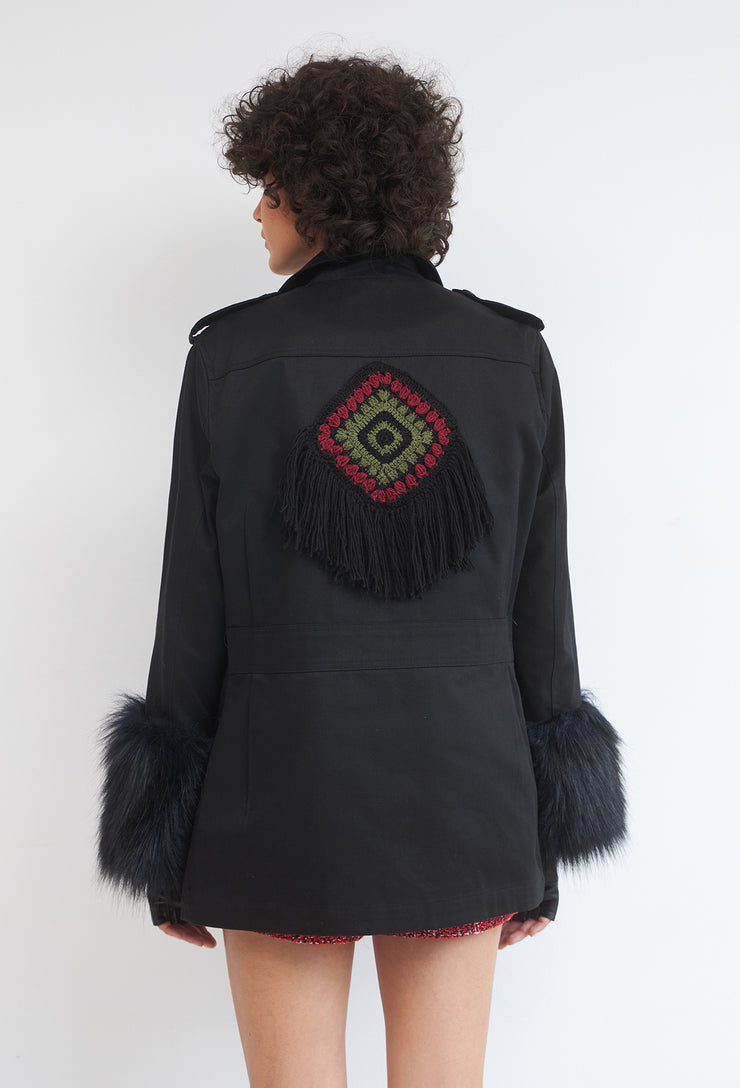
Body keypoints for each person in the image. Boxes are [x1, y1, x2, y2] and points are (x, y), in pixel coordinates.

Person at [95, 51, 628, 1087]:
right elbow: (541, 608)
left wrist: (164, 838)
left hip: (280, 791)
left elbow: (192, 608)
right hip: (467, 791)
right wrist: (541, 834)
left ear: (319, 189)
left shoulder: (231, 359)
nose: (257, 210)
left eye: (270, 184)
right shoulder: (511, 355)